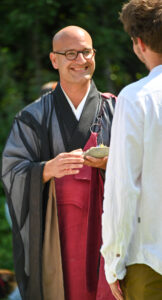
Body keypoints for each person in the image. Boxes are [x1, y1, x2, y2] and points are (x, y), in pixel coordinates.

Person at [1, 25, 116, 300]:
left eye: (86, 52)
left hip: (108, 230)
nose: (81, 60)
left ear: (94, 54)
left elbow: (145, 169)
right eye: (70, 54)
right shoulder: (32, 117)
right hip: (55, 233)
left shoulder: (117, 109)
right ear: (55, 60)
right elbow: (10, 171)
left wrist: (112, 165)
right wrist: (44, 170)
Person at [101, 0, 162, 299]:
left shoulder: (136, 98)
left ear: (139, 44)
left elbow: (123, 188)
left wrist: (113, 260)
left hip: (150, 262)